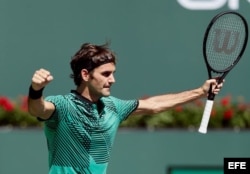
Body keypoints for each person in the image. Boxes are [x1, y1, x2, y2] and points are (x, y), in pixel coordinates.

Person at [28, 42, 224, 174]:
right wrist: (36, 89)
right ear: (86, 75)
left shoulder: (114, 107)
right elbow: (38, 109)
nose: (112, 80)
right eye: (106, 74)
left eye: (113, 73)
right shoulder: (63, 106)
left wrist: (200, 91)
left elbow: (154, 105)